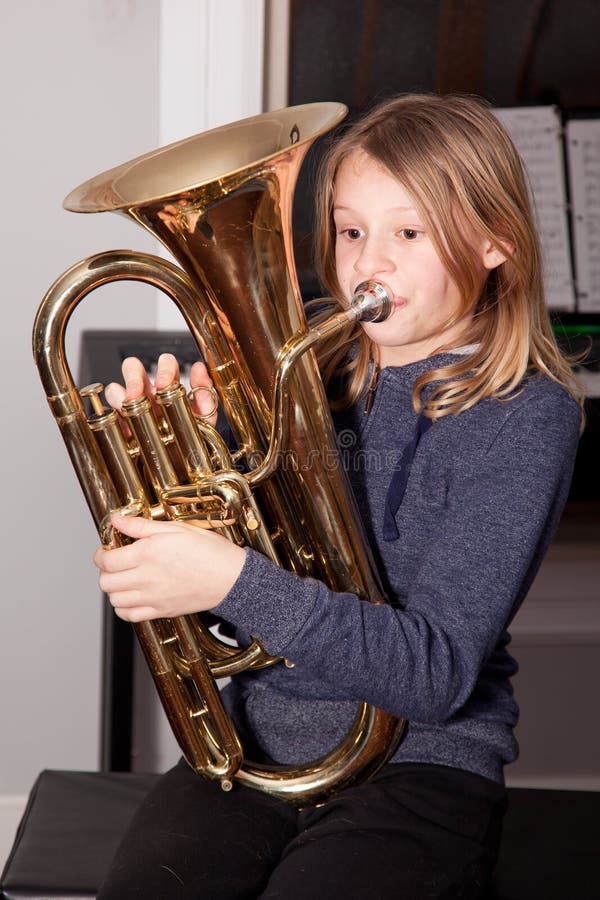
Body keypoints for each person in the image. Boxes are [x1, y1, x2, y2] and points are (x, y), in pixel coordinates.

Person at [93, 93, 583, 899]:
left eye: (409, 233)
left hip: (423, 767)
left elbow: (437, 674)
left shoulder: (528, 418)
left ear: (496, 242)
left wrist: (229, 577)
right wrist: (185, 477)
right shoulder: (306, 370)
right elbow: (233, 614)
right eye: (352, 232)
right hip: (252, 747)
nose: (368, 264)